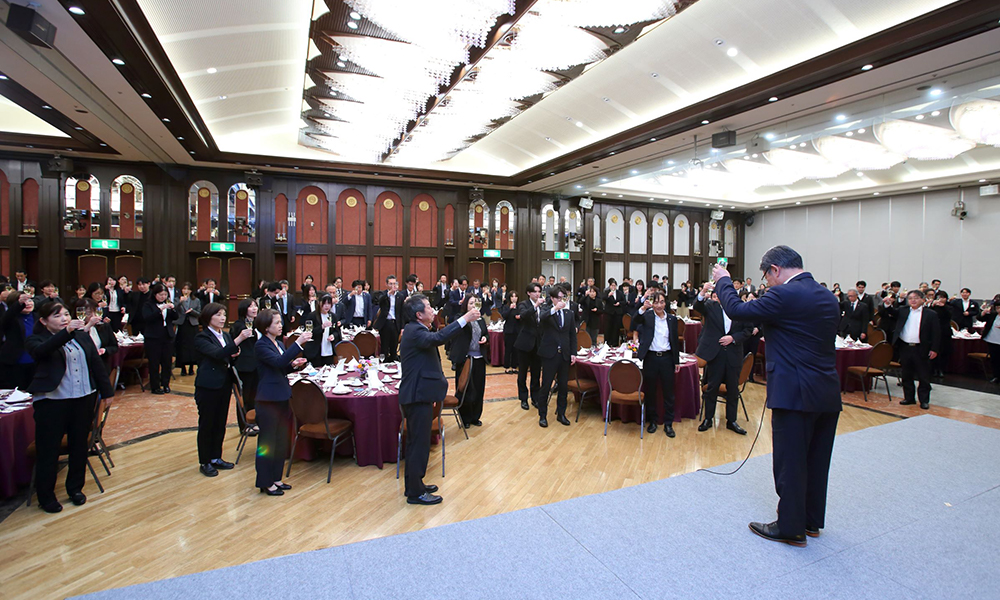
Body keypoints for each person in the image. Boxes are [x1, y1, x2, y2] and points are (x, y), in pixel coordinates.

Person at [711, 245, 842, 547]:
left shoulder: (784, 294)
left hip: (794, 391)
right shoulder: (827, 296)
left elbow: (737, 311)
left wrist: (724, 280)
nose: (767, 283)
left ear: (775, 270)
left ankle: (790, 527)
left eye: (766, 277)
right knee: (817, 460)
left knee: (790, 461)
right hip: (826, 391)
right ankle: (810, 520)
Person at [26, 301, 113, 513]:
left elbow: (96, 364)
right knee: (49, 449)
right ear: (44, 321)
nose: (64, 318)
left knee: (79, 446)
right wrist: (66, 332)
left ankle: (75, 488)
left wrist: (107, 392)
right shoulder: (36, 339)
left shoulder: (81, 336)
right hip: (52, 401)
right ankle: (46, 496)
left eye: (66, 314)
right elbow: (42, 352)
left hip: (83, 397)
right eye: (57, 316)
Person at [398, 294, 479, 505]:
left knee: (418, 443)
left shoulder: (416, 329)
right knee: (418, 445)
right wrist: (465, 319)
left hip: (419, 394)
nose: (432, 309)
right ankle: (415, 493)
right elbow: (439, 338)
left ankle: (414, 485)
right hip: (417, 395)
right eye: (428, 307)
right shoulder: (416, 331)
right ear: (419, 314)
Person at [254, 309, 310, 495]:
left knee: (280, 441)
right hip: (268, 399)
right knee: (267, 443)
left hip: (282, 396)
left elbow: (281, 367)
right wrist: (298, 343)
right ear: (265, 327)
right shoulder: (261, 345)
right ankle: (265, 481)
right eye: (276, 323)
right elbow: (277, 362)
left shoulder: (278, 343)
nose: (280, 325)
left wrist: (293, 365)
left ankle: (276, 478)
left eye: (280, 322)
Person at [193, 303, 250, 476]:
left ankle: (216, 457)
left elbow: (227, 356)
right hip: (208, 385)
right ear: (208, 317)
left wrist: (235, 355)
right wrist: (238, 340)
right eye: (218, 314)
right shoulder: (202, 337)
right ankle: (205, 461)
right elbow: (217, 354)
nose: (222, 318)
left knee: (220, 423)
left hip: (224, 383)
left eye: (224, 314)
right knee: (207, 424)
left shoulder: (224, 335)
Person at [694, 283, 752, 435]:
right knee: (712, 387)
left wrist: (733, 338)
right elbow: (697, 306)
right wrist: (703, 290)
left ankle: (731, 420)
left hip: (734, 353)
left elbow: (748, 330)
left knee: (733, 388)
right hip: (716, 353)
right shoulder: (711, 306)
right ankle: (708, 418)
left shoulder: (740, 309)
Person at [632, 290, 680, 436]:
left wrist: (676, 361)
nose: (659, 305)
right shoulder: (647, 316)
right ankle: (652, 421)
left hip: (667, 358)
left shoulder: (672, 319)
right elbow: (634, 321)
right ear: (652, 303)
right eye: (656, 302)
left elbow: (675, 341)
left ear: (666, 303)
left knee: (668, 392)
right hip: (651, 358)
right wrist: (643, 308)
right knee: (651, 391)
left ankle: (668, 423)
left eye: (662, 302)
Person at [535, 286, 577, 428]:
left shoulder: (569, 313)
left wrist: (573, 353)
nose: (561, 300)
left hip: (564, 354)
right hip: (549, 354)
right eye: (558, 298)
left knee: (563, 386)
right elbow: (542, 318)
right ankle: (542, 415)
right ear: (552, 298)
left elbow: (572, 335)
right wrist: (555, 309)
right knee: (546, 385)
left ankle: (561, 413)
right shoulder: (547, 310)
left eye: (563, 298)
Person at [892, 290, 941, 409]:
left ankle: (924, 400)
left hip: (921, 348)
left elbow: (936, 333)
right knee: (906, 374)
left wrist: (934, 349)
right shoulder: (903, 310)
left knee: (923, 375)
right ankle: (909, 398)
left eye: (916, 298)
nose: (913, 300)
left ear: (923, 300)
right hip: (905, 347)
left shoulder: (930, 314)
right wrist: (887, 304)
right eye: (910, 298)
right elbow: (888, 312)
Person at [448, 295, 489, 427]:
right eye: (471, 303)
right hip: (465, 358)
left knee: (479, 388)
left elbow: (485, 333)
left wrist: (485, 338)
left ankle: (475, 416)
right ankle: (465, 418)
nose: (474, 305)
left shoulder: (481, 319)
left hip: (479, 358)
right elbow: (456, 330)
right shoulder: (460, 318)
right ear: (465, 305)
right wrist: (468, 318)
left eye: (476, 303)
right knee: (465, 389)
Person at [230, 299, 261, 435]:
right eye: (250, 306)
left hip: (256, 364)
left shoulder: (258, 323)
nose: (254, 309)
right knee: (245, 396)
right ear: (244, 309)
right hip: (245, 365)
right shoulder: (238, 325)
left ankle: (254, 422)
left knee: (255, 395)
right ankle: (244, 425)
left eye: (255, 306)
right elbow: (234, 344)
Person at [141, 283, 178, 394]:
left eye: (165, 294)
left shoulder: (167, 303)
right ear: (155, 294)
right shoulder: (148, 305)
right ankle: (155, 386)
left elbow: (175, 317)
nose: (163, 297)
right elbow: (147, 318)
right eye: (160, 295)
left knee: (167, 362)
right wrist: (160, 309)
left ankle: (166, 384)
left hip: (167, 335)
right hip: (153, 337)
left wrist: (173, 309)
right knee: (154, 362)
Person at [514, 282, 543, 411]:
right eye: (535, 292)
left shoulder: (543, 306)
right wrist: (535, 306)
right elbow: (523, 316)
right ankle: (523, 398)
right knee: (522, 373)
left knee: (536, 373)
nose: (537, 294)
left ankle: (535, 397)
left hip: (538, 344)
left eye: (539, 291)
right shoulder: (523, 304)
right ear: (529, 293)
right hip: (525, 343)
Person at [0, 292, 37, 389]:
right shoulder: (10, 319)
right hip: (15, 362)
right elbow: (7, 317)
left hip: (35, 362)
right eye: (24, 301)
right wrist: (19, 304)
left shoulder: (38, 317)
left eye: (29, 300)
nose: (28, 303)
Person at [302, 294, 341, 366]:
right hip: (315, 350)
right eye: (324, 303)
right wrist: (322, 327)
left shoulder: (333, 316)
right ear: (319, 303)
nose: (327, 306)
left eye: (329, 304)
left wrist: (333, 336)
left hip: (329, 349)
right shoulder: (312, 316)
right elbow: (308, 332)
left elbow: (337, 332)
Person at [374, 275, 406, 361]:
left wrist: (402, 327)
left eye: (394, 283)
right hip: (385, 323)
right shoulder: (383, 294)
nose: (393, 286)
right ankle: (384, 362)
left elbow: (402, 312)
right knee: (384, 346)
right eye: (390, 284)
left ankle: (393, 362)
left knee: (394, 346)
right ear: (386, 284)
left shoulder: (400, 296)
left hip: (395, 323)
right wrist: (388, 294)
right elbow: (380, 301)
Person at [173, 283, 201, 376]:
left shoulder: (196, 300)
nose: (186, 291)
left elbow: (199, 313)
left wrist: (192, 311)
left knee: (192, 346)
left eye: (188, 289)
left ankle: (192, 367)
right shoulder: (177, 299)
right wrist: (180, 302)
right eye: (184, 289)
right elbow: (173, 309)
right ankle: (183, 368)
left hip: (192, 325)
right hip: (182, 324)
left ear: (191, 291)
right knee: (182, 346)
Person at [501, 290, 520, 374]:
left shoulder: (519, 306)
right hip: (509, 331)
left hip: (517, 331)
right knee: (508, 350)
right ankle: (507, 367)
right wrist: (510, 309)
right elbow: (504, 316)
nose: (514, 298)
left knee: (516, 350)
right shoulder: (506, 306)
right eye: (512, 296)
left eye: (515, 296)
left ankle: (514, 367)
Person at [982, 295, 1000, 384]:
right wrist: (983, 313)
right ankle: (996, 376)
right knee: (994, 359)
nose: (998, 310)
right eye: (997, 308)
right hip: (992, 340)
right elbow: (980, 318)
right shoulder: (993, 315)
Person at [604, 279, 624, 346]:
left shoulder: (619, 293)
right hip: (609, 312)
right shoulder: (607, 292)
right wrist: (608, 295)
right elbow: (603, 298)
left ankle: (615, 343)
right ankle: (608, 343)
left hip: (617, 313)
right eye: (612, 285)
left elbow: (624, 301)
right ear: (610, 286)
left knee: (616, 328)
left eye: (614, 285)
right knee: (608, 328)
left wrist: (619, 303)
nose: (613, 287)